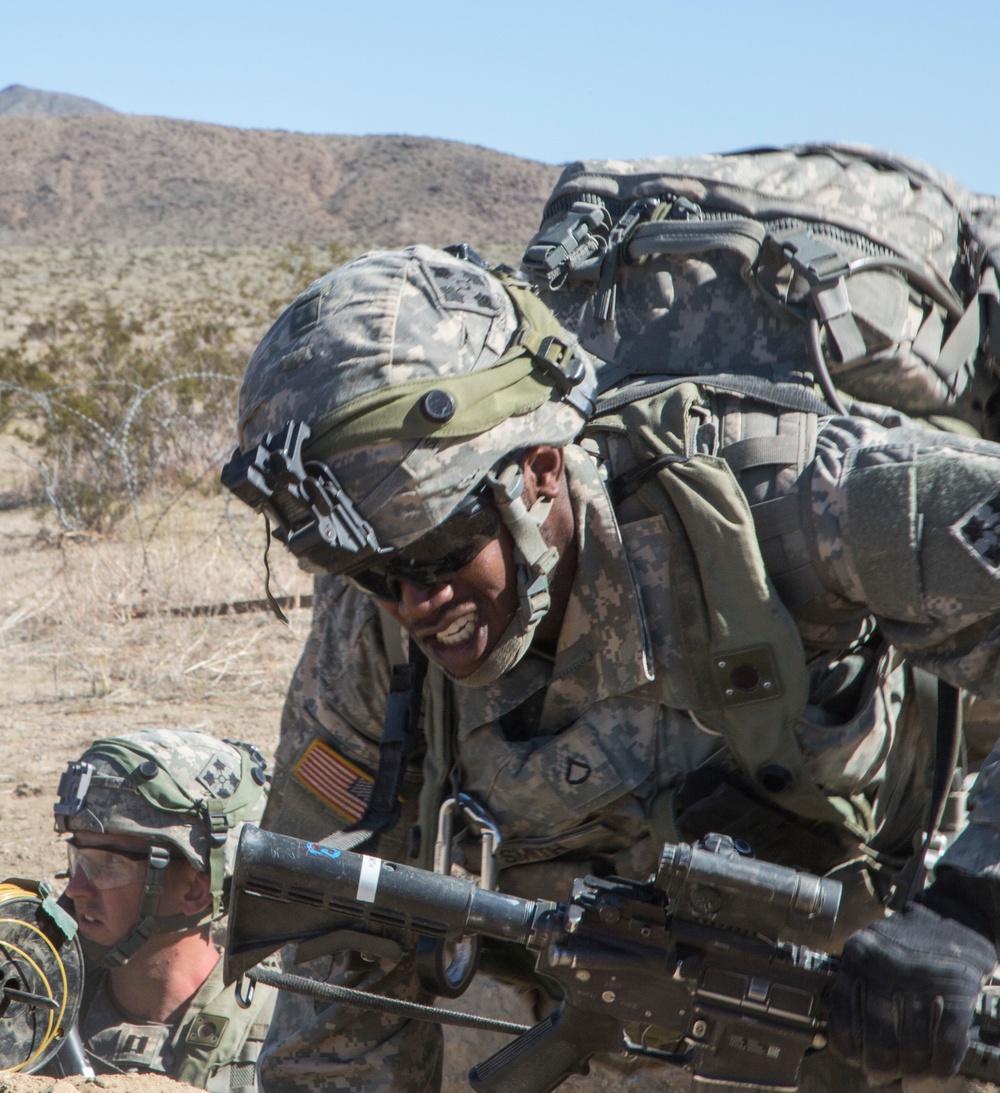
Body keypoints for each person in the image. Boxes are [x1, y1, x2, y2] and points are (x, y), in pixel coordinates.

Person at [222, 244, 1000, 1092]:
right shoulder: (369, 635)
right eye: (370, 569)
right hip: (573, 1025)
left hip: (886, 1013)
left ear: (540, 472)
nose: (412, 599)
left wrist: (969, 910)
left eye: (440, 547)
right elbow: (337, 940)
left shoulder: (795, 501)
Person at [49, 727, 277, 1089]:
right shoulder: (38, 1011)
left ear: (196, 889)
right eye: (78, 857)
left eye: (108, 865)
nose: (76, 889)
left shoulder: (281, 1037)